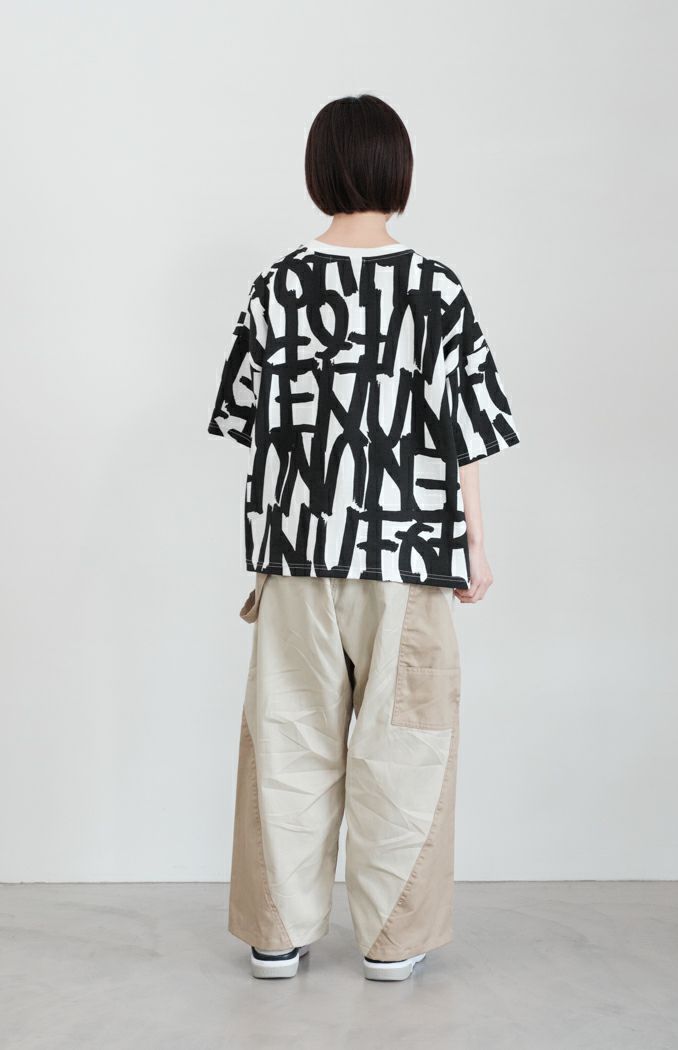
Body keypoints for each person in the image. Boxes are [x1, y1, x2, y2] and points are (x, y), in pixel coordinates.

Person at [207, 94, 520, 981]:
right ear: (398, 171)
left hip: (296, 554)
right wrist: (475, 544)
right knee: (405, 744)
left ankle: (278, 934)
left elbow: (247, 419)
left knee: (288, 736)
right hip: (408, 557)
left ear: (319, 171)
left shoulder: (277, 285)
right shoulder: (436, 288)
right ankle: (393, 939)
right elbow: (466, 433)